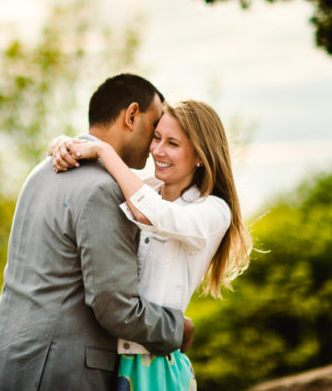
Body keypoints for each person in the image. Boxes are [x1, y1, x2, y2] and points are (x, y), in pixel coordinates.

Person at [0, 74, 191, 391]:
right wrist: (176, 328)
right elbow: (116, 307)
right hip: (58, 373)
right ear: (131, 115)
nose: (155, 142)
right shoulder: (104, 189)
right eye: (155, 126)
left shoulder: (42, 170)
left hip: (6, 365)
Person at [50, 99, 253, 391]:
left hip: (155, 365)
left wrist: (103, 150)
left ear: (200, 156)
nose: (157, 150)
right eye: (156, 138)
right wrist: (61, 145)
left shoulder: (213, 210)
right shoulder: (147, 188)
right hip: (108, 358)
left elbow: (151, 213)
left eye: (172, 143)